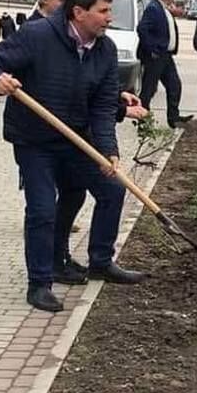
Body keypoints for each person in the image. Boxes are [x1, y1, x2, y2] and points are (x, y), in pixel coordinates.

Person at [0, 0, 132, 313]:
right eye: (103, 11)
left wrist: (108, 152)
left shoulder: (105, 50)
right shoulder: (38, 36)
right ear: (78, 12)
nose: (109, 18)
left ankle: (100, 261)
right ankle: (40, 282)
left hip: (77, 138)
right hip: (35, 140)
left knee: (110, 189)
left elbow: (104, 107)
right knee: (43, 209)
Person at [53, 91, 149, 285]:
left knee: (73, 193)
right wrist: (122, 110)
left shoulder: (98, 60)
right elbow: (82, 98)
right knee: (109, 190)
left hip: (78, 134)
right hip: (62, 134)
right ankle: (95, 262)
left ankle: (63, 260)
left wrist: (116, 94)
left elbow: (95, 84)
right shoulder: (64, 60)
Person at [136, 0, 192, 129]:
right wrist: (152, 49)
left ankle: (173, 118)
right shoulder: (154, 8)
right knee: (149, 89)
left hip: (166, 56)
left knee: (174, 85)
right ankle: (143, 119)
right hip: (155, 56)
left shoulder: (163, 8)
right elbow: (142, 29)